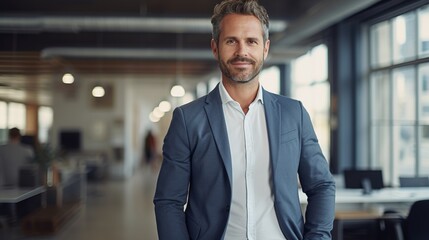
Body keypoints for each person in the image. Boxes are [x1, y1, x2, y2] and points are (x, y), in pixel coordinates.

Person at [153, 0, 336, 239]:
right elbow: (168, 201)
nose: (242, 52)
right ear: (215, 47)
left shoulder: (294, 114)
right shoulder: (188, 119)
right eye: (231, 41)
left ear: (265, 48)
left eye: (251, 41)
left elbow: (321, 186)